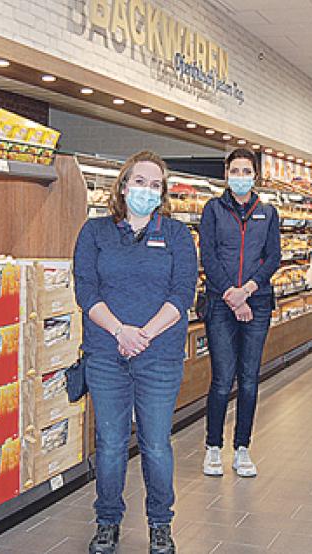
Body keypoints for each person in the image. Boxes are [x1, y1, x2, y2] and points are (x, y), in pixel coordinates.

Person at [73, 151, 198, 554]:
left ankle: (161, 523)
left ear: (162, 193)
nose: (146, 190)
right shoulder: (94, 233)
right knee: (109, 442)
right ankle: (107, 521)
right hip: (106, 353)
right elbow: (86, 291)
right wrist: (120, 331)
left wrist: (142, 334)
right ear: (123, 186)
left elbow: (183, 294)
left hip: (158, 354)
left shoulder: (177, 235)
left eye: (155, 184)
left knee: (156, 442)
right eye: (139, 181)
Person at [199, 148, 281, 478]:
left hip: (257, 303)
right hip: (220, 303)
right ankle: (213, 447)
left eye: (247, 170)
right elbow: (208, 255)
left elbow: (273, 257)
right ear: (226, 173)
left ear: (255, 176)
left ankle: (243, 448)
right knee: (222, 379)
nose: (241, 175)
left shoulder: (268, 212)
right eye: (236, 170)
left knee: (248, 379)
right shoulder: (213, 210)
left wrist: (247, 290)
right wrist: (231, 295)